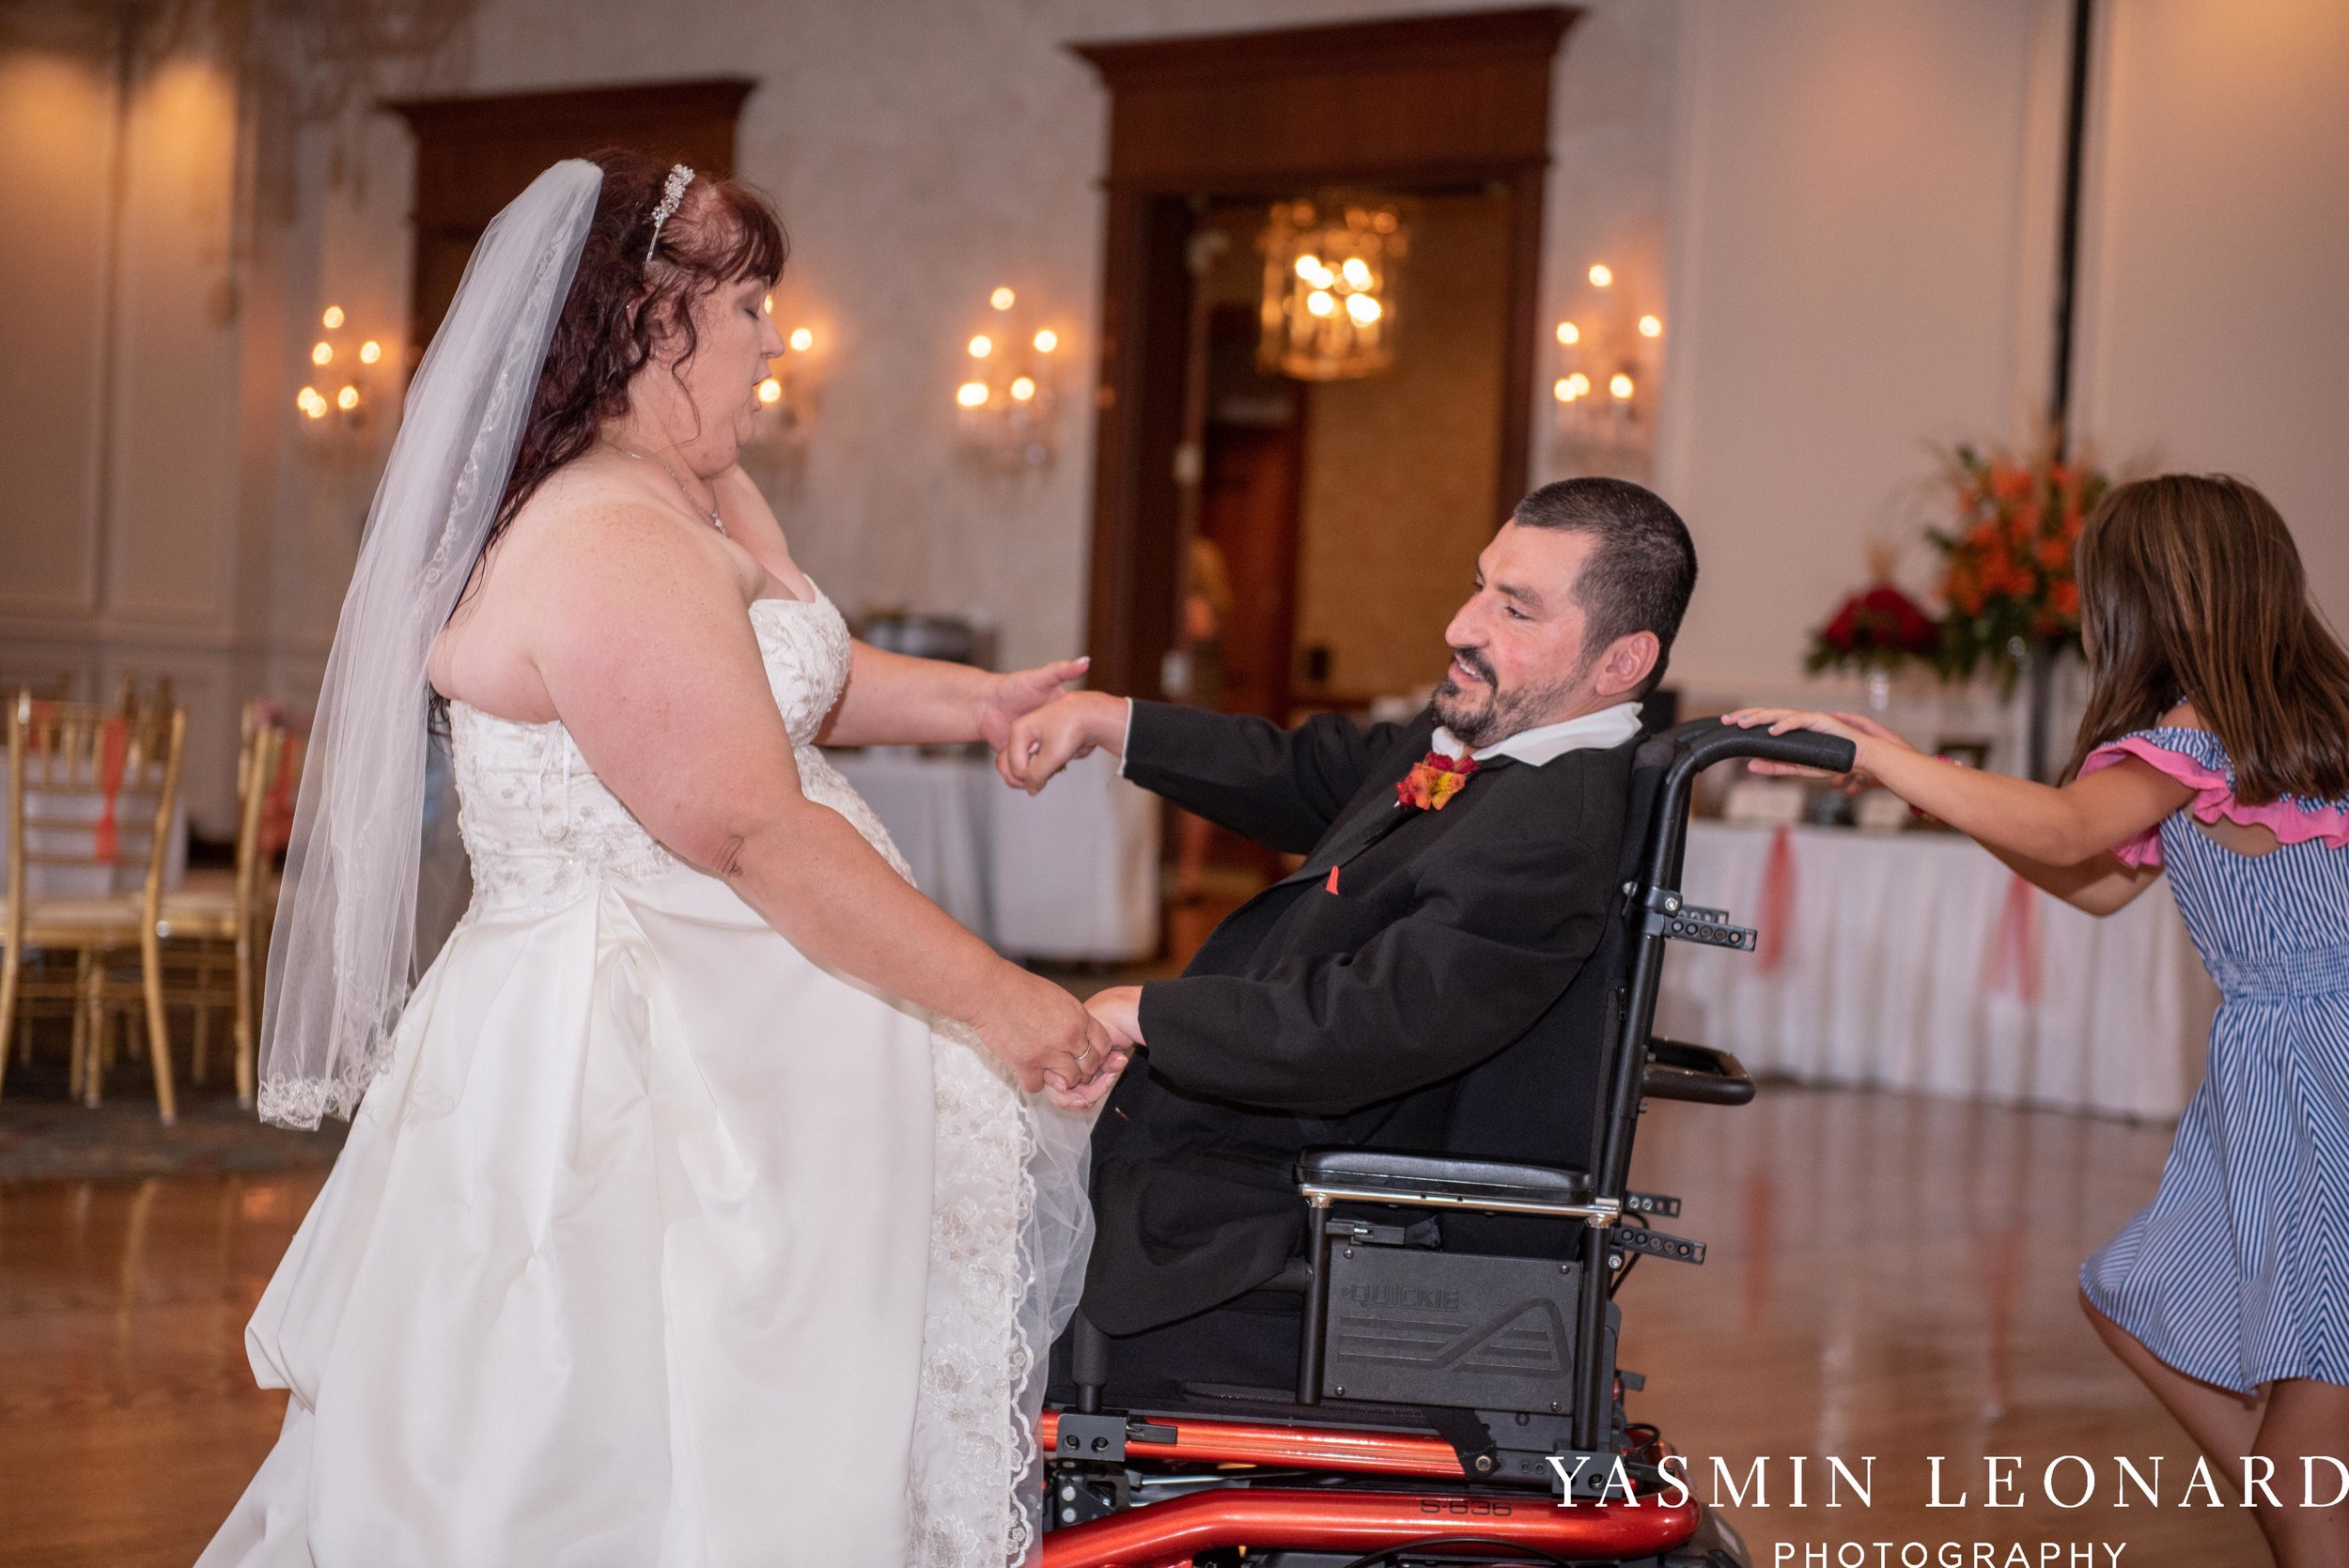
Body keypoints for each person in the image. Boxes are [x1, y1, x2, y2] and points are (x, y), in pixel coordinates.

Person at [200, 154, 1114, 1567]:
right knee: (629, 1442)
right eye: (749, 301)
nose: (772, 336)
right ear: (649, 319)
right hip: (628, 1063)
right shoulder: (607, 535)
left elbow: (796, 670)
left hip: (739, 1030)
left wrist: (973, 702)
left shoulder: (698, 492)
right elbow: (752, 828)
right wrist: (1000, 999)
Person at [1726, 474, 2349, 1568]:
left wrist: (1888, 757)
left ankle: (2303, 1515)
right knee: (2148, 1304)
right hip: (2293, 1067)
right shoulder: (2291, 734)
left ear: (2149, 597)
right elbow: (2097, 879)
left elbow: (2069, 831)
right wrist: (1929, 789)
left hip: (2306, 1076)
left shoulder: (2199, 735)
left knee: (2306, 1406)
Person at [1001, 477, 1698, 1391]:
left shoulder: (1551, 827)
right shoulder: (1505, 743)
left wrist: (1148, 1015)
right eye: (1480, 584)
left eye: (1514, 608)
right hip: (1232, 1151)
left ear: (1621, 661)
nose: (1462, 624)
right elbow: (1317, 770)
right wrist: (1112, 722)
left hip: (1292, 1212)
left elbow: (1366, 1023)